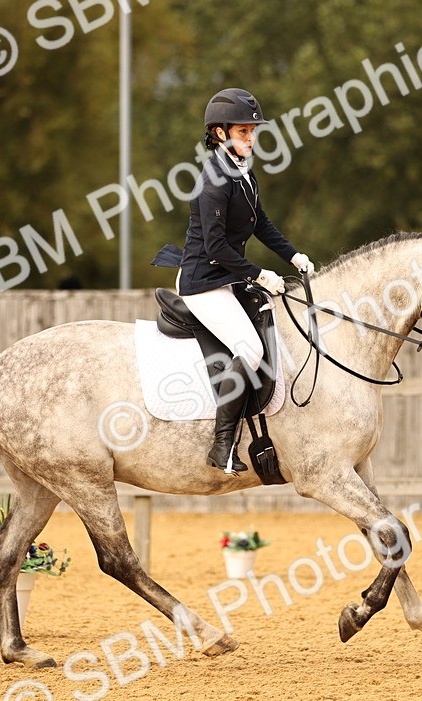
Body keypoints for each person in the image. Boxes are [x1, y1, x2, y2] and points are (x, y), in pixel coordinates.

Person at [177, 87, 314, 474]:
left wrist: (292, 255)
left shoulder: (241, 171)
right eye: (243, 132)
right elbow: (216, 246)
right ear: (220, 134)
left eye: (252, 132)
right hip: (204, 282)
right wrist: (258, 273)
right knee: (251, 350)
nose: (251, 139)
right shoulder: (213, 180)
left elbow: (261, 224)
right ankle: (221, 445)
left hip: (227, 275)